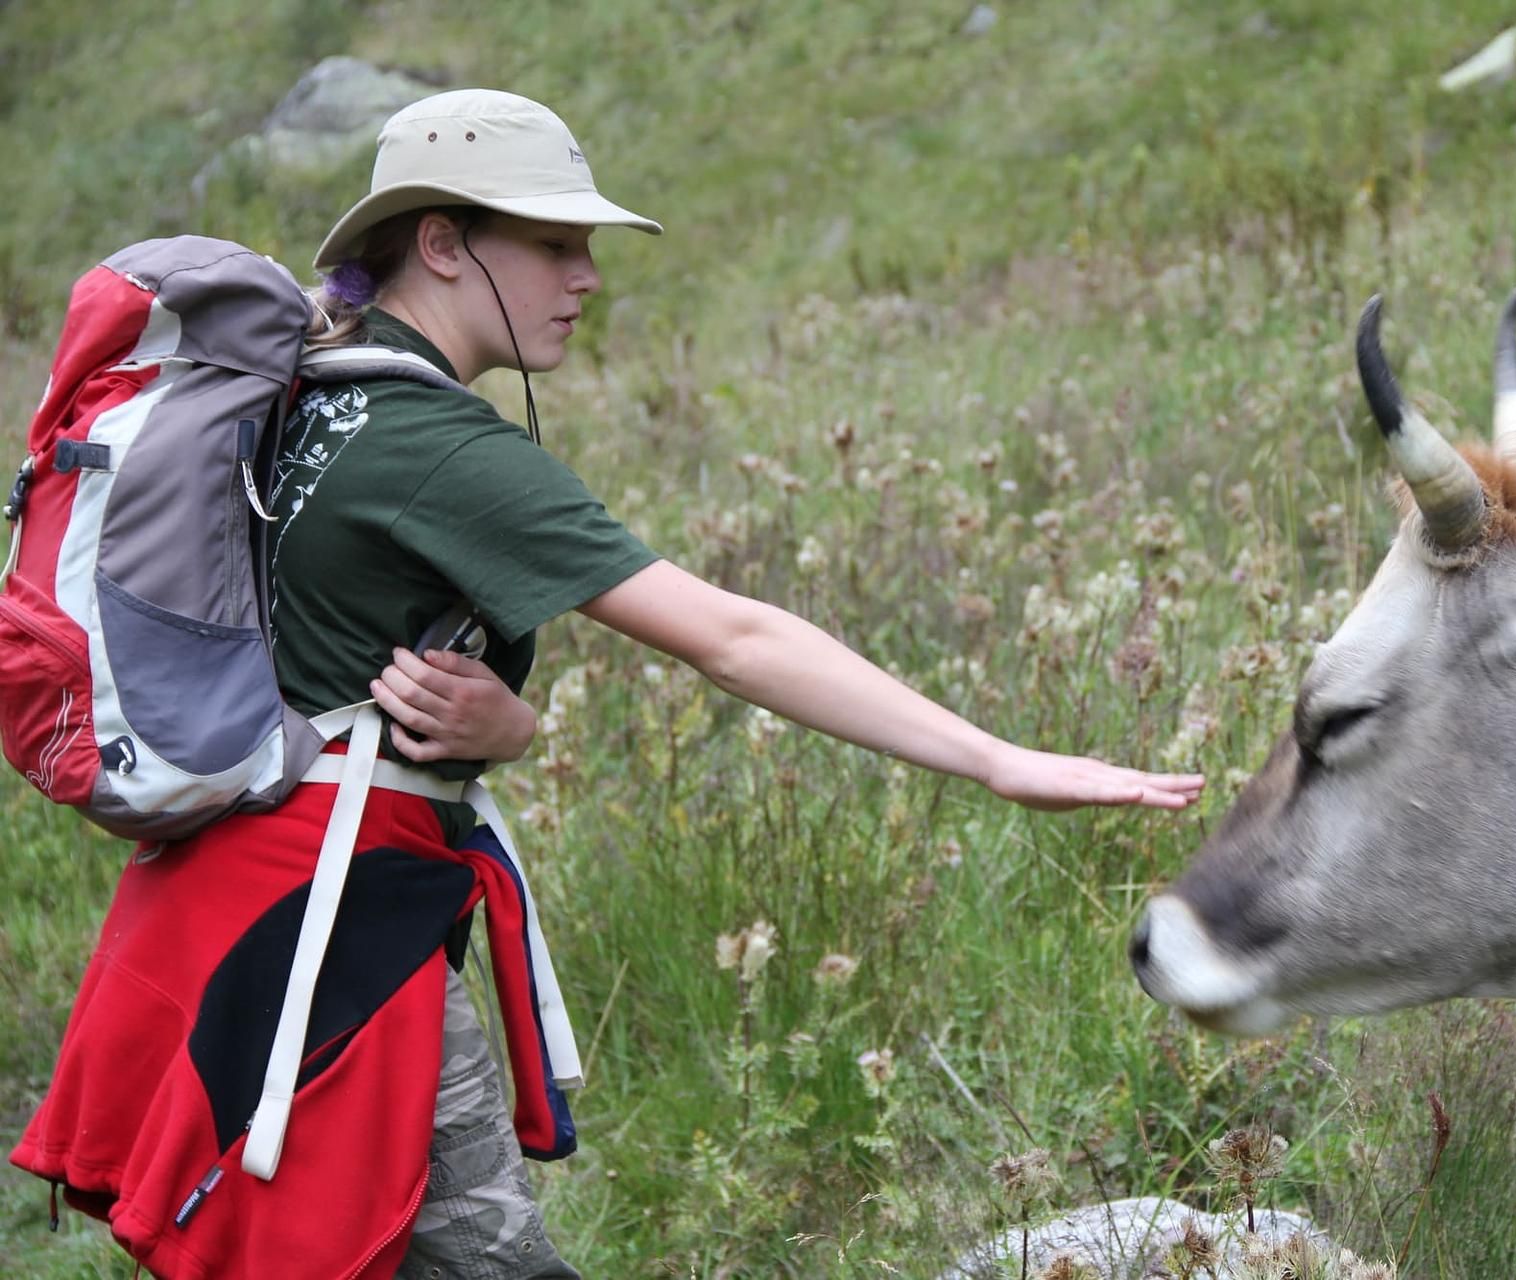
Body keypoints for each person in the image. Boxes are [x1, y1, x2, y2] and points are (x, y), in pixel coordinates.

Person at [10, 89, 1203, 1279]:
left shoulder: (311, 395)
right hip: (326, 929)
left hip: (221, 895)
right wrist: (1001, 759)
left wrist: (504, 726)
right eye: (554, 241)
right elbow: (733, 635)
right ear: (441, 240)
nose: (586, 275)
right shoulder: (440, 450)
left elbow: (324, 655)